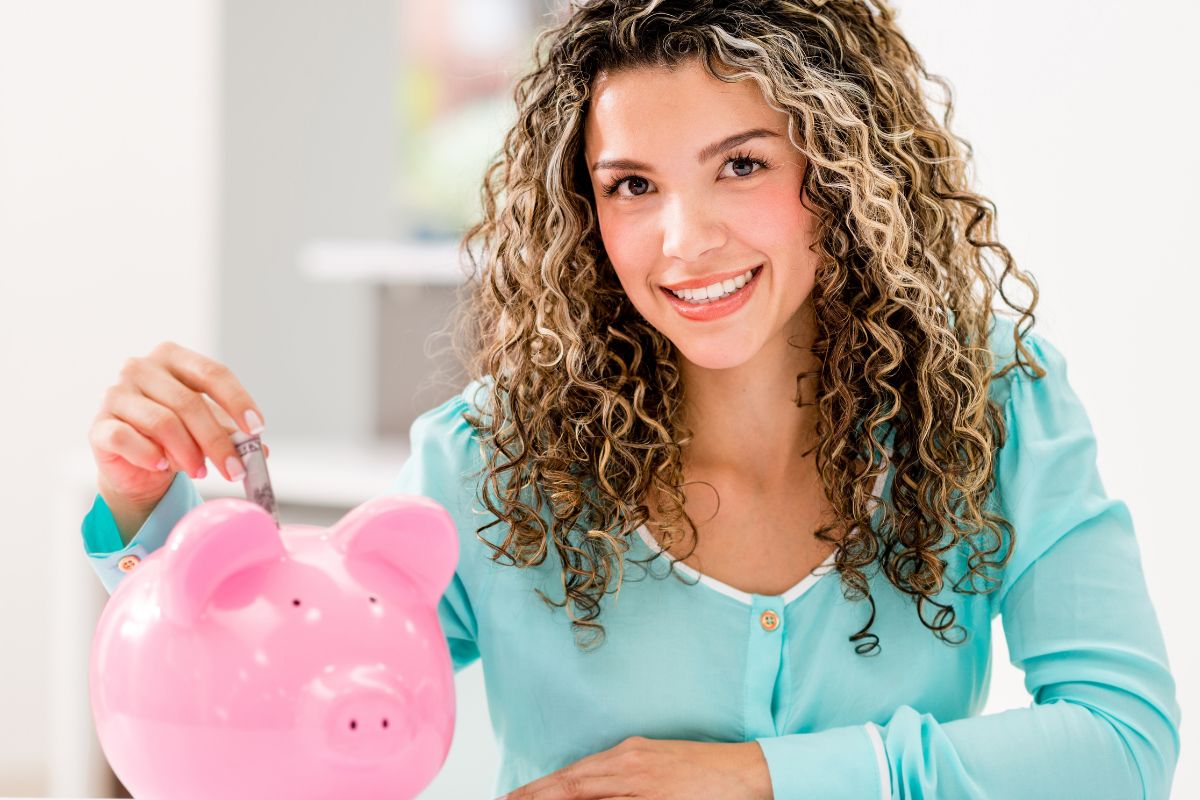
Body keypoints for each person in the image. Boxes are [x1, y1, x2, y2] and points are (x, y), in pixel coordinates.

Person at [81, 1, 1182, 798]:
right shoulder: (496, 455)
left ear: (839, 169)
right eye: (633, 186)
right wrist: (145, 513)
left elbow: (1123, 739)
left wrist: (756, 778)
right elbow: (289, 676)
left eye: (742, 165)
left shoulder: (988, 401)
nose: (682, 241)